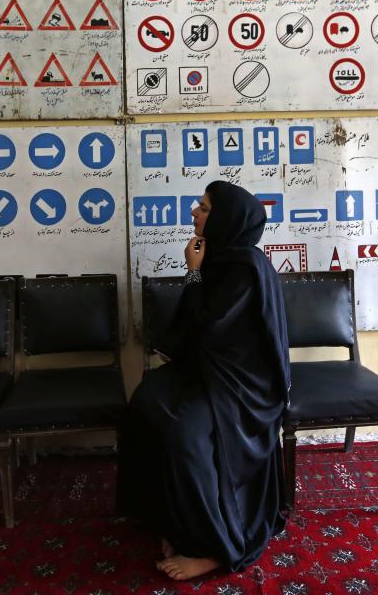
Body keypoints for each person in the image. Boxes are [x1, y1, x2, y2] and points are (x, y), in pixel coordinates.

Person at [117, 180, 291, 581]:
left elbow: (208, 327)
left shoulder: (246, 267)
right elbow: (196, 328)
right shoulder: (219, 258)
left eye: (204, 208)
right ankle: (174, 521)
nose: (194, 213)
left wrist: (192, 274)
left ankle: (216, 548)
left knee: (184, 435)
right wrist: (195, 272)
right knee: (145, 404)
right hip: (207, 373)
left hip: (241, 388)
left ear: (226, 218)